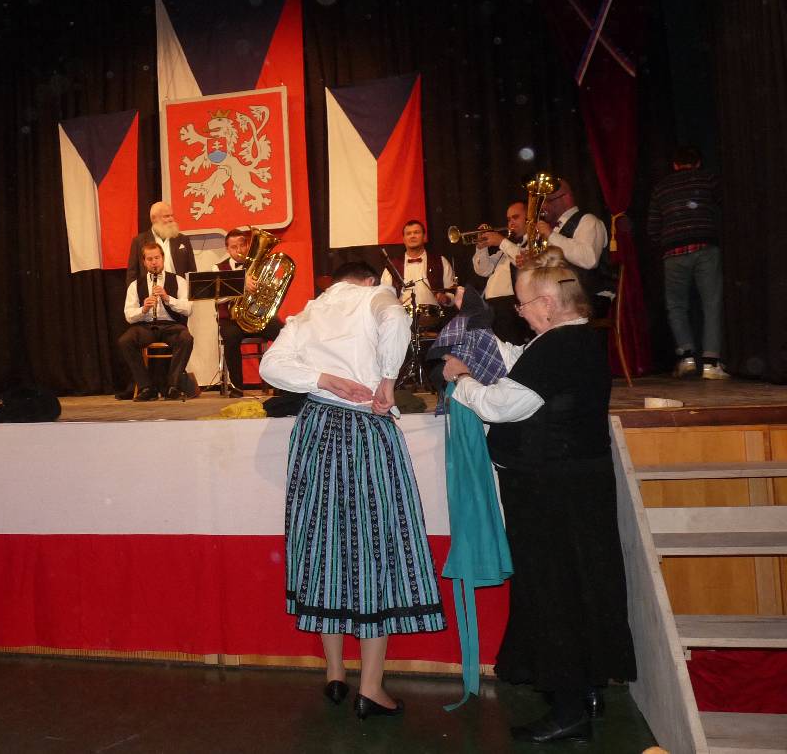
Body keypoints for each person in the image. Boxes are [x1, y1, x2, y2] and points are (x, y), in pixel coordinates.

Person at [441, 251, 635, 743]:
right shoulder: (576, 341)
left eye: (524, 304)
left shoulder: (559, 346)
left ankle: (569, 711)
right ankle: (586, 689)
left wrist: (461, 381)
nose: (521, 312)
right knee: (580, 586)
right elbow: (525, 371)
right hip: (575, 486)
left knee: (554, 592)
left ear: (547, 304)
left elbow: (504, 404)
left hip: (551, 493)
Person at [259, 261, 446, 720]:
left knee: (322, 548)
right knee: (372, 548)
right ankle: (371, 687)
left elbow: (270, 366)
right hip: (365, 430)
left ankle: (335, 674)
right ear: (368, 279)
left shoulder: (309, 312)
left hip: (316, 427)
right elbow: (397, 319)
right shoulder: (375, 296)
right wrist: (387, 380)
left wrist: (322, 379)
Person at [647, 146, 728, 379]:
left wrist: (666, 241)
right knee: (711, 303)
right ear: (698, 163)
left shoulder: (661, 188)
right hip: (705, 246)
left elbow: (652, 226)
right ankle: (711, 363)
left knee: (676, 306)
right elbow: (726, 208)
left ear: (674, 165)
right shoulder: (708, 180)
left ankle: (687, 358)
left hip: (673, 251)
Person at [118, 242, 194, 400]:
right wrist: (143, 309)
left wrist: (167, 298)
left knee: (186, 338)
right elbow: (128, 315)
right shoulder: (135, 285)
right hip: (146, 326)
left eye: (157, 258)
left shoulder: (179, 280)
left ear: (163, 258)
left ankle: (173, 386)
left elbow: (188, 309)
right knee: (125, 341)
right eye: (150, 259)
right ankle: (146, 388)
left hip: (170, 326)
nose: (154, 262)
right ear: (144, 262)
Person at [527, 180, 613, 318]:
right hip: (562, 299)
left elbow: (589, 259)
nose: (543, 206)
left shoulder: (588, 221)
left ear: (566, 197)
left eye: (548, 201)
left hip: (591, 298)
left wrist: (551, 235)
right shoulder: (554, 230)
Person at [212, 227, 281, 397]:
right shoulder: (217, 268)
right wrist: (240, 285)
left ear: (248, 246)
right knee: (231, 337)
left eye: (242, 245)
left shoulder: (260, 265)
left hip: (256, 316)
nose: (239, 250)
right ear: (227, 249)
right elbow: (217, 299)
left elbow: (272, 290)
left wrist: (267, 284)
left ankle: (281, 383)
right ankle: (237, 386)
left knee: (284, 333)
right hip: (231, 320)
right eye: (234, 247)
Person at [471, 202, 534, 345]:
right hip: (493, 309)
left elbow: (526, 262)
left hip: (510, 309)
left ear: (529, 218)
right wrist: (481, 248)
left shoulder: (531, 245)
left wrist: (501, 241)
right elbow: (484, 270)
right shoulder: (505, 249)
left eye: (515, 217)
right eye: (509, 219)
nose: (511, 223)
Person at [381, 220, 455, 308]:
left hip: (434, 315)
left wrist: (446, 299)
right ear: (403, 239)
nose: (412, 236)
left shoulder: (441, 261)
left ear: (424, 237)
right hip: (402, 315)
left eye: (416, 232)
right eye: (408, 233)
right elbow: (384, 296)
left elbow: (452, 294)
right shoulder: (392, 267)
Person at [125, 200, 198, 284]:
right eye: (166, 216)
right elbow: (132, 274)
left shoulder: (183, 239)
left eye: (171, 215)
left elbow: (192, 270)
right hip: (151, 288)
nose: (171, 219)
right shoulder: (139, 241)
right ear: (154, 219)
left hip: (179, 288)